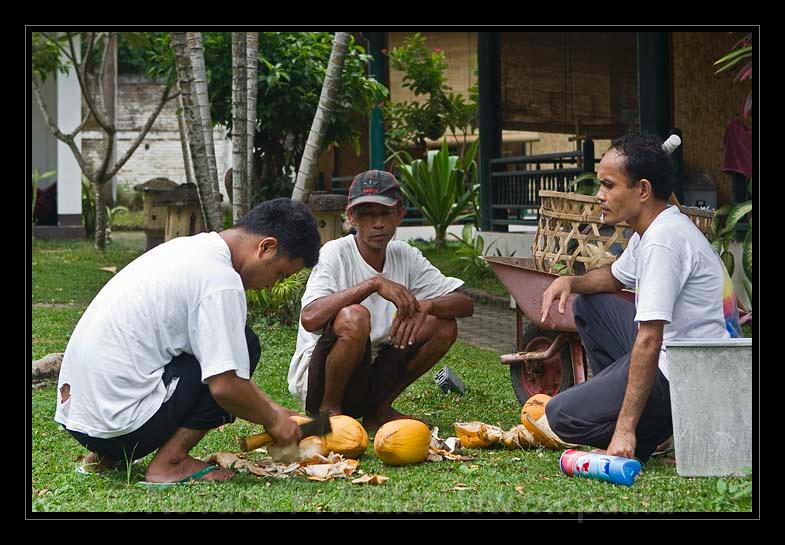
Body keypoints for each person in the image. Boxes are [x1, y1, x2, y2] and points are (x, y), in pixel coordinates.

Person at [55, 198, 321, 484]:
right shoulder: (220, 280)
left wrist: (275, 410)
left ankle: (103, 457)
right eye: (280, 273)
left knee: (223, 348)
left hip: (81, 421)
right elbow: (225, 386)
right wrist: (272, 419)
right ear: (266, 247)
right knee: (244, 345)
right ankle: (170, 463)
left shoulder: (189, 248)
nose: (273, 284)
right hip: (118, 429)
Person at [538, 134, 741, 462]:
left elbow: (649, 339)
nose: (599, 196)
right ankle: (636, 417)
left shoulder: (663, 242)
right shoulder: (653, 228)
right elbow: (612, 277)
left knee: (562, 415)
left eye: (608, 185)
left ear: (643, 190)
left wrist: (624, 427)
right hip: (675, 358)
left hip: (691, 376)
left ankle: (637, 430)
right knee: (591, 305)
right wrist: (570, 281)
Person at [287, 170, 474, 431]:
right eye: (367, 214)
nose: (378, 224)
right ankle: (329, 415)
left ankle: (379, 409)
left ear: (399, 214)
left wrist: (428, 305)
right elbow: (309, 318)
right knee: (355, 316)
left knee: (443, 325)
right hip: (320, 379)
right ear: (351, 217)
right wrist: (373, 284)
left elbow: (465, 303)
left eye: (386, 213)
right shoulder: (335, 253)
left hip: (372, 374)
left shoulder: (404, 254)